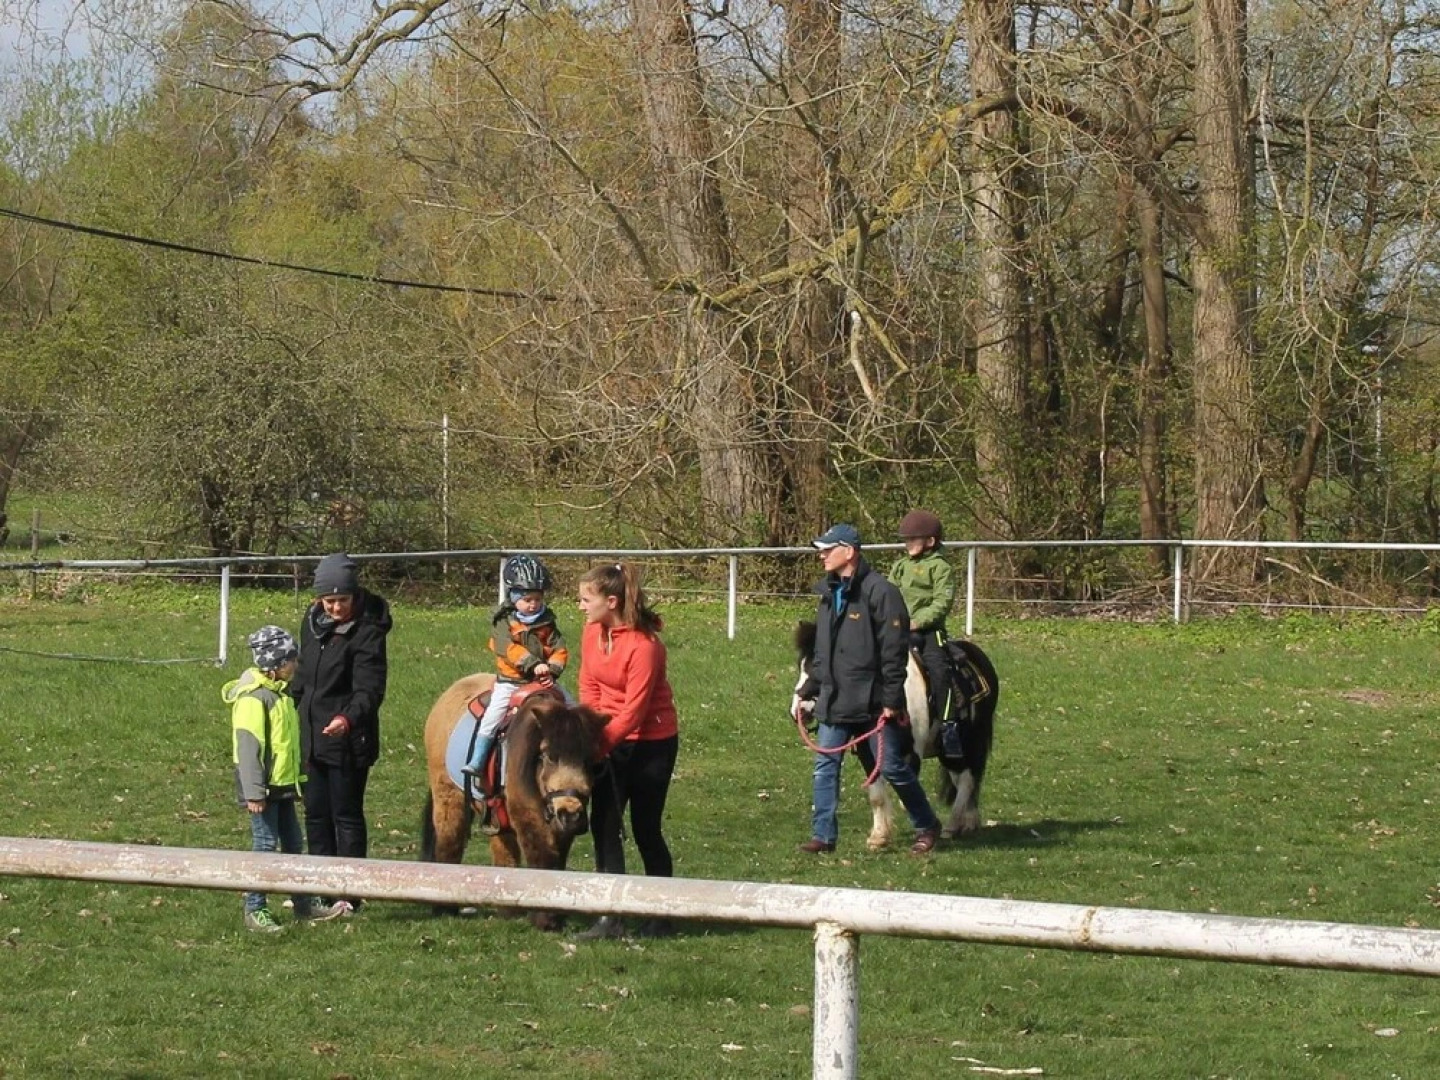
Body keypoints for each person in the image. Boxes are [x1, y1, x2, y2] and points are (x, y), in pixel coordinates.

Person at [794, 523, 943, 856]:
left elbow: (894, 653)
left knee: (892, 767)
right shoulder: (827, 595)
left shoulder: (882, 594)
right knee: (825, 767)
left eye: (828, 549)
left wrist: (892, 699)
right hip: (835, 700)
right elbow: (823, 650)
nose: (822, 555)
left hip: (872, 703)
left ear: (849, 552)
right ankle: (823, 836)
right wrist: (811, 688)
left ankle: (926, 823)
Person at [574, 561, 679, 940]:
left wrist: (599, 746)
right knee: (604, 825)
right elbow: (589, 685)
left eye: (587, 599)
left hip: (652, 744)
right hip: (608, 740)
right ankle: (610, 915)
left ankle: (660, 913)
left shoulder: (646, 647)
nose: (581, 606)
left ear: (612, 601)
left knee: (646, 828)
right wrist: (592, 732)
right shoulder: (591, 634)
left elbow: (634, 712)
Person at [226, 625, 348, 931]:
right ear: (277, 663)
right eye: (292, 659)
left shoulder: (279, 695)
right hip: (263, 791)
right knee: (265, 845)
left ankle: (304, 905)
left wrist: (298, 782)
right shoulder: (255, 699)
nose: (296, 665)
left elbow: (287, 746)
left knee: (293, 842)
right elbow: (249, 749)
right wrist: (254, 793)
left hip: (281, 788)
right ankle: (255, 908)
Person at [292, 553, 392, 914]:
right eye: (329, 600)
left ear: (354, 596)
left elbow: (370, 690)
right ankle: (322, 886)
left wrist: (347, 720)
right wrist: (294, 700)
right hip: (313, 734)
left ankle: (349, 892)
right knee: (316, 814)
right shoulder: (312, 621)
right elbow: (304, 670)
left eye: (342, 600)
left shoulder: (367, 631)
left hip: (349, 739)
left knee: (345, 814)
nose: (335, 607)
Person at [462, 554, 570, 788]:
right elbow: (507, 648)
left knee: (571, 708)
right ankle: (477, 761)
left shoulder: (547, 622)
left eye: (538, 599)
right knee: (492, 718)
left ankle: (578, 753)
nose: (533, 604)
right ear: (513, 597)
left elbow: (560, 648)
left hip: (543, 681)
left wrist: (552, 669)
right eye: (527, 599)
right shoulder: (503, 623)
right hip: (511, 682)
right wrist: (532, 663)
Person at [889, 509, 958, 728]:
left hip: (929, 632)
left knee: (938, 671)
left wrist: (917, 622)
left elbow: (941, 602)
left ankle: (948, 724)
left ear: (930, 541)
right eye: (906, 539)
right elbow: (888, 594)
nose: (907, 543)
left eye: (912, 539)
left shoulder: (941, 568)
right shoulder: (900, 566)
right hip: (898, 629)